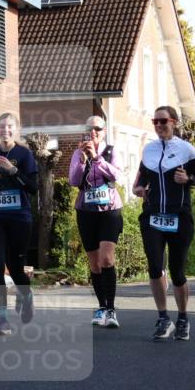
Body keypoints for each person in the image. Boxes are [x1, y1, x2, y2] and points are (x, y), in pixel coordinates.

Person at [133, 105, 195, 341]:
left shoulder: (186, 149)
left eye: (163, 121)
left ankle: (183, 318)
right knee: (155, 267)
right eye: (155, 121)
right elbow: (140, 180)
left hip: (179, 217)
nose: (158, 125)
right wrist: (138, 188)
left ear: (174, 122)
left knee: (177, 272)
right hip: (153, 216)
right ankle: (163, 317)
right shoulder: (149, 150)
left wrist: (190, 178)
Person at [0, 113, 38, 336]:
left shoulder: (24, 154)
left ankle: (26, 295)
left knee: (15, 268)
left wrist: (13, 171)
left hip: (19, 218)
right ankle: (3, 319)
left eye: (10, 126)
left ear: (16, 129)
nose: (6, 130)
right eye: (2, 126)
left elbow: (33, 187)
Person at [69, 115, 125, 328]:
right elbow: (74, 180)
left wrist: (96, 159)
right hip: (86, 211)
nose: (93, 132)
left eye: (97, 129)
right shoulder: (78, 152)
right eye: (89, 129)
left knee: (107, 259)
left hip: (110, 210)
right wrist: (83, 161)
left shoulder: (111, 151)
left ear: (104, 131)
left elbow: (117, 176)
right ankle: (101, 306)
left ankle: (111, 309)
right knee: (94, 263)